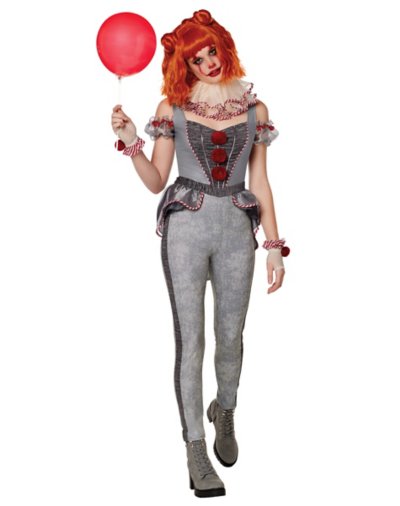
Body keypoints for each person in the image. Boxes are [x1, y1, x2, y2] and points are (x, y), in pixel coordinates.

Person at [110, 9, 290, 498]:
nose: (208, 62)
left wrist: (274, 247)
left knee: (231, 336)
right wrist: (131, 141)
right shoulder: (172, 109)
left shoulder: (255, 110)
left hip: (236, 229)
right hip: (186, 229)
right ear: (184, 66)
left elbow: (260, 181)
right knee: (191, 342)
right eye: (196, 59)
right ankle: (194, 448)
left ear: (224, 49)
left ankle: (224, 409)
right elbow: (156, 182)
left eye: (212, 51)